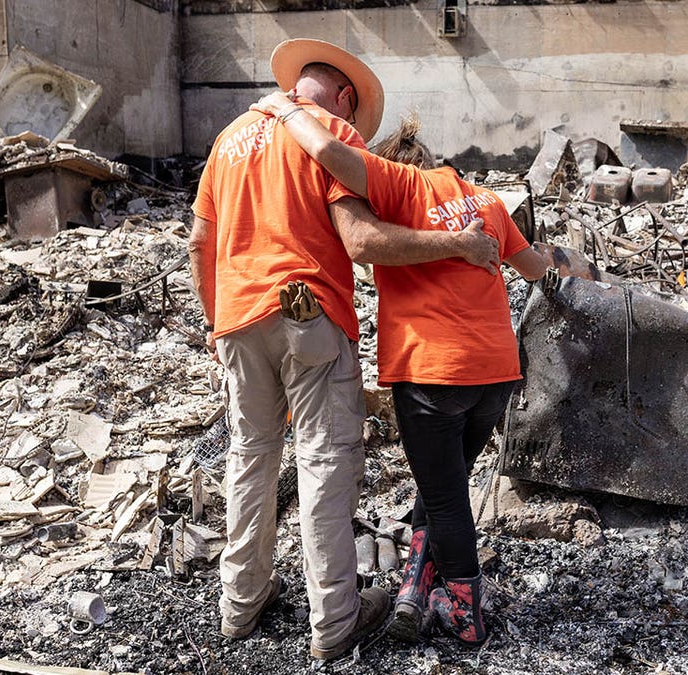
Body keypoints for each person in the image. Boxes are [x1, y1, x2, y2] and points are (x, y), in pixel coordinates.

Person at [188, 39, 500, 662]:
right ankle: (334, 619)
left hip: (237, 318)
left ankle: (239, 605)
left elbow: (200, 242)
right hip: (309, 315)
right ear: (345, 97)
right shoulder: (328, 134)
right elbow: (360, 240)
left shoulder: (228, 140)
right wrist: (457, 246)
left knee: (250, 456)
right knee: (323, 462)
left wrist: (217, 322)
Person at [255, 91, 548, 646]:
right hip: (495, 375)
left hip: (432, 372)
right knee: (446, 479)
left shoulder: (400, 185)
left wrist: (288, 111)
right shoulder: (487, 200)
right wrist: (575, 272)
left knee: (444, 495)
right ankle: (418, 578)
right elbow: (534, 268)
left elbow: (329, 154)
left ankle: (464, 608)